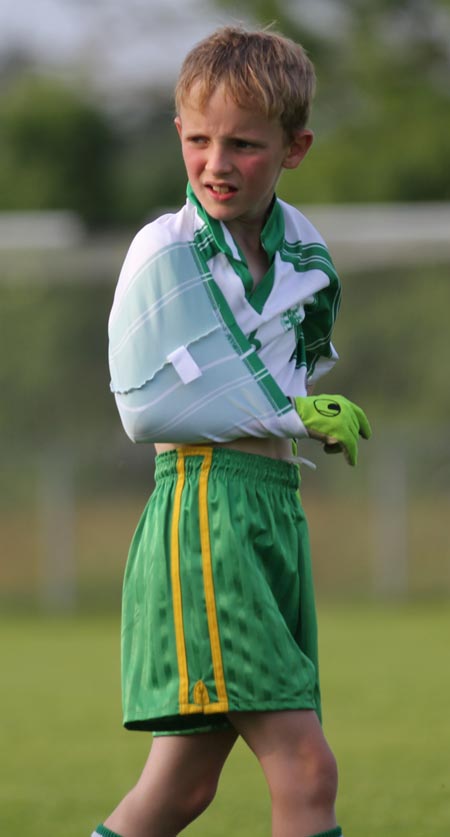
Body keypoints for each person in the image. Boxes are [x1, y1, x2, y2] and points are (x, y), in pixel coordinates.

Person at [93, 25, 371, 837]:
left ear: (295, 147)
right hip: (203, 515)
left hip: (273, 510)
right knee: (307, 768)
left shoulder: (305, 251)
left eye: (245, 144)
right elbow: (145, 409)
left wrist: (312, 411)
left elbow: (282, 379)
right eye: (200, 139)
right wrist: (290, 414)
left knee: (180, 789)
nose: (217, 163)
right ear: (178, 134)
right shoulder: (163, 251)